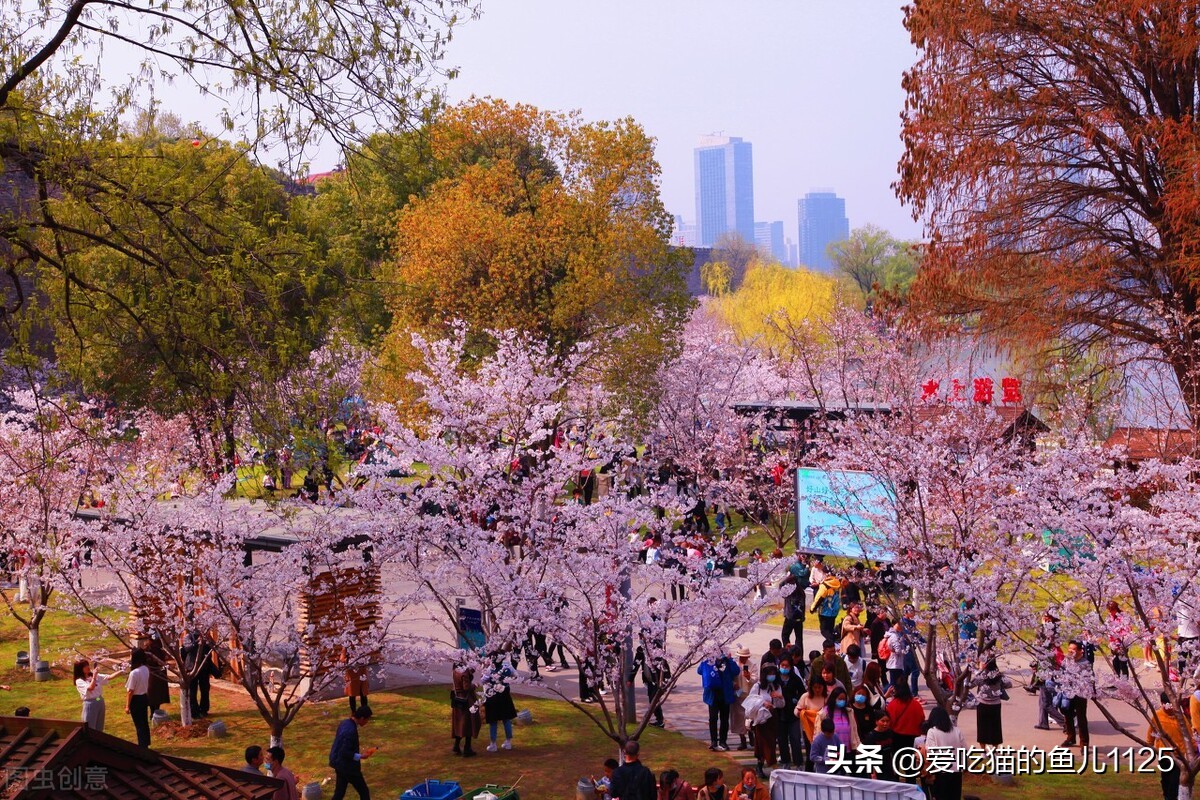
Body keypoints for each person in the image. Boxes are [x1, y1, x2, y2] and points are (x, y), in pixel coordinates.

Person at [329, 706, 375, 800]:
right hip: (347, 766)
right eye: (367, 719)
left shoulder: (345, 723)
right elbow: (344, 752)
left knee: (339, 792)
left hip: (338, 763)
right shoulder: (350, 731)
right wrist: (361, 756)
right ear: (362, 718)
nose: (367, 722)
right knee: (364, 791)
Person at [698, 652, 740, 751]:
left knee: (724, 719)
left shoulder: (727, 661)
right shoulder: (709, 660)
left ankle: (723, 741)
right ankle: (713, 741)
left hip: (725, 694)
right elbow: (699, 671)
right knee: (713, 718)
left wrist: (730, 660)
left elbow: (736, 671)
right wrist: (706, 660)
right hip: (712, 694)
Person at [922, 706, 966, 800]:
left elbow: (930, 751)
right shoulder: (957, 731)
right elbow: (965, 749)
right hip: (956, 771)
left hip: (941, 772)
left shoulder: (932, 732)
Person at [746, 663, 782, 776]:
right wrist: (763, 703)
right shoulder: (757, 686)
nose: (772, 676)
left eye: (773, 673)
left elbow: (781, 704)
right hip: (760, 718)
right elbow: (750, 700)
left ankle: (762, 764)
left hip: (772, 717)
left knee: (770, 741)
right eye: (769, 673)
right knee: (762, 741)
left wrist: (779, 697)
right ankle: (770, 764)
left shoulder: (776, 686)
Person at [1148, 692, 1186, 800]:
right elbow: (1151, 732)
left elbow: (1188, 734)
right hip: (1163, 754)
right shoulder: (1157, 716)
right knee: (1165, 779)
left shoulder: (1180, 717)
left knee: (1174, 781)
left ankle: (1171, 797)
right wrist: (1149, 744)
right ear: (1162, 703)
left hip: (1178, 755)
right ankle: (1167, 796)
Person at [970, 657, 1011, 748]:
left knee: (982, 728)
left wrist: (979, 671)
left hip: (982, 704)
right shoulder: (999, 675)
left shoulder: (981, 675)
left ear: (985, 664)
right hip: (995, 705)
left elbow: (970, 684)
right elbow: (1009, 684)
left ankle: (983, 751)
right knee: (995, 728)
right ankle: (995, 750)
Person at [1061, 640, 1093, 752]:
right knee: (1067, 715)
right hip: (1068, 691)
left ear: (1080, 651)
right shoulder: (1066, 660)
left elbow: (1090, 678)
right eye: (1069, 648)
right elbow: (1061, 673)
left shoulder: (1085, 663)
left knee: (1081, 718)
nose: (1071, 651)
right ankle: (1070, 738)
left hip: (1080, 693)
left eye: (1073, 649)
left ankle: (1084, 743)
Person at [483, 657, 518, 752]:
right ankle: (508, 742)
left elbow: (483, 680)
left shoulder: (490, 668)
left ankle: (493, 744)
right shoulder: (507, 666)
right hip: (505, 696)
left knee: (493, 721)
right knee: (506, 719)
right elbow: (516, 675)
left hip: (492, 696)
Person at [818, 687, 859, 766]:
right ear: (834, 698)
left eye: (844, 699)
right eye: (840, 699)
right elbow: (818, 731)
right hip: (832, 750)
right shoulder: (824, 713)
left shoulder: (849, 712)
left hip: (847, 749)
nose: (842, 701)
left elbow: (854, 730)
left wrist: (857, 746)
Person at [776, 656, 805, 768]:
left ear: (791, 667)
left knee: (795, 739)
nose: (784, 668)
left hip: (793, 714)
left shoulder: (795, 679)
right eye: (782, 665)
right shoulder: (776, 679)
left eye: (786, 666)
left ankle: (798, 763)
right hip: (780, 713)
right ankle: (785, 762)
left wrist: (796, 700)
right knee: (782, 739)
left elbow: (802, 693)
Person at [631, 645, 669, 729]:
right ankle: (659, 720)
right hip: (649, 680)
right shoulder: (641, 649)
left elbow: (664, 665)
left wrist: (666, 680)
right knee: (653, 700)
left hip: (658, 681)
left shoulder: (656, 649)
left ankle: (659, 720)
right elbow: (636, 664)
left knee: (653, 700)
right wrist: (630, 679)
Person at [74, 658, 116, 732]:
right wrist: (94, 676)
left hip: (98, 700)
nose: (88, 667)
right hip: (90, 703)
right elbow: (91, 688)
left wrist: (122, 670)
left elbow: (109, 677)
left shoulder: (93, 676)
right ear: (80, 669)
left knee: (100, 726)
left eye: (87, 665)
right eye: (85, 666)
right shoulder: (79, 681)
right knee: (90, 728)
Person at [795, 676, 828, 768]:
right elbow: (797, 709)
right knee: (811, 752)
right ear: (811, 687)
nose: (817, 690)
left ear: (823, 687)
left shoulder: (827, 697)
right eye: (815, 687)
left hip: (823, 729)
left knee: (823, 752)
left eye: (819, 687)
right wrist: (800, 713)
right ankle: (809, 771)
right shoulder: (805, 696)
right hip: (808, 729)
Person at [886, 682, 926, 755]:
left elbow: (889, 722)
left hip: (897, 737)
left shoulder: (893, 704)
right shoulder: (916, 704)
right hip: (914, 737)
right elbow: (922, 719)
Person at [451, 664, 482, 757]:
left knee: (460, 723)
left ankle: (456, 746)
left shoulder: (455, 670)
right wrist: (475, 685)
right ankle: (467, 748)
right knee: (469, 723)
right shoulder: (464, 672)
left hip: (458, 700)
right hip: (466, 701)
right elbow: (466, 687)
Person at [125, 649, 152, 748]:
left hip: (136, 700)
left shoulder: (134, 673)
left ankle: (142, 746)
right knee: (144, 722)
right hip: (144, 697)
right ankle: (146, 743)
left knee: (139, 724)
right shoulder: (145, 668)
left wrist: (127, 706)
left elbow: (130, 691)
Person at [809, 573, 844, 646]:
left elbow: (819, 598)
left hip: (825, 612)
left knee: (824, 630)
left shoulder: (824, 586)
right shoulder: (837, 584)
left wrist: (812, 608)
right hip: (834, 611)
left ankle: (834, 643)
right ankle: (834, 643)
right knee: (830, 630)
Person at [861, 713, 897, 782]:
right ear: (876, 722)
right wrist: (873, 773)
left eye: (887, 721)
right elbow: (868, 756)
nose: (885, 723)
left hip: (888, 765)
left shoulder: (890, 733)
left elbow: (891, 751)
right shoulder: (871, 736)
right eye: (883, 721)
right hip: (876, 767)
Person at [140, 634, 171, 717]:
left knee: (154, 693)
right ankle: (154, 711)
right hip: (154, 672)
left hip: (154, 672)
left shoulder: (153, 648)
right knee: (155, 693)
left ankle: (154, 712)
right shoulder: (152, 649)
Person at [732, 645, 755, 749]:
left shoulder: (752, 665)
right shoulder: (734, 665)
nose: (743, 659)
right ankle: (742, 740)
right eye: (742, 657)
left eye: (745, 657)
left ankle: (751, 735)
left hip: (749, 695)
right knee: (738, 719)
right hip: (738, 695)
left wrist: (749, 677)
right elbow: (729, 677)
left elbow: (755, 679)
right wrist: (733, 684)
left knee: (749, 717)